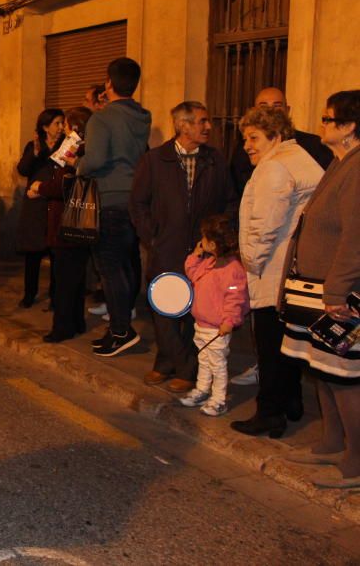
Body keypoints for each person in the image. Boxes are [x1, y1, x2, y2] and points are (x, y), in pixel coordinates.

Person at [280, 90, 360, 488]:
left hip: (338, 296)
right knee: (323, 370)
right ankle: (331, 442)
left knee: (344, 375)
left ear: (349, 128)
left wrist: (336, 292)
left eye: (329, 119)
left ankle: (356, 461)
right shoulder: (339, 162)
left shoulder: (358, 169)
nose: (322, 125)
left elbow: (355, 239)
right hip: (313, 290)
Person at [231, 106, 323, 438]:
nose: (247, 146)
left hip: (273, 272)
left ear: (276, 136)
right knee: (290, 345)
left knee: (270, 348)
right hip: (294, 268)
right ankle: (292, 403)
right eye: (245, 138)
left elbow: (263, 226)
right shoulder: (299, 158)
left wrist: (251, 263)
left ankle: (269, 413)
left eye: (254, 137)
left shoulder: (275, 168)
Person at [129, 101, 234, 387]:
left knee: (193, 312)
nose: (208, 127)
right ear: (183, 126)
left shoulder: (215, 160)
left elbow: (228, 200)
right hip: (166, 247)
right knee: (163, 308)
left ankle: (174, 366)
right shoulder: (154, 160)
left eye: (207, 121)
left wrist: (217, 238)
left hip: (203, 252)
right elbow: (138, 203)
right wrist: (152, 237)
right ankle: (178, 365)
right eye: (201, 121)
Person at [75, 57, 150, 355]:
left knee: (110, 268)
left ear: (109, 82)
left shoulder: (103, 118)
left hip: (109, 200)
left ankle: (120, 330)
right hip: (134, 198)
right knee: (128, 264)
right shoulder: (142, 116)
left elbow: (94, 160)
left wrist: (77, 165)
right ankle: (121, 323)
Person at [29, 106, 92, 341]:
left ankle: (63, 327)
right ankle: (77, 321)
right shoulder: (88, 148)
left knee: (65, 277)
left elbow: (62, 183)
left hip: (66, 219)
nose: (63, 128)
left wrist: (40, 188)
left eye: (65, 124)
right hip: (79, 219)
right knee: (76, 274)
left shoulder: (74, 148)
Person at [178, 215, 249, 417]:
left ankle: (218, 399)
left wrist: (229, 321)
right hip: (201, 324)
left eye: (204, 238)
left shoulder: (232, 269)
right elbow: (193, 274)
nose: (201, 241)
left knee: (217, 364)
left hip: (217, 328)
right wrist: (196, 255)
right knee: (204, 359)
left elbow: (236, 298)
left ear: (213, 243)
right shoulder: (210, 262)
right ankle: (202, 389)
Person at [230, 87, 333, 195]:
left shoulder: (313, 144)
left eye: (277, 106)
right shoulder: (244, 148)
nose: (270, 111)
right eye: (263, 106)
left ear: (287, 110)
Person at [16, 108, 64, 309]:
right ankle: (30, 293)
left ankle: (55, 295)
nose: (61, 128)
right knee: (33, 253)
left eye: (62, 123)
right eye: (57, 124)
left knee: (56, 251)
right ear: (45, 127)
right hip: (35, 203)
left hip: (55, 202)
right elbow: (23, 169)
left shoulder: (66, 146)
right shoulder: (34, 146)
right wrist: (34, 154)